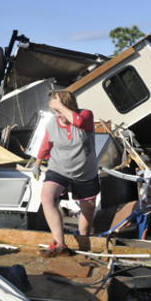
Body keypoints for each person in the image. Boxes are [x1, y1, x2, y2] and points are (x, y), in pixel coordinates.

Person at [34, 90, 99, 257]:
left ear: (69, 107)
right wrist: (37, 163)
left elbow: (78, 121)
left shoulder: (86, 115)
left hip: (85, 171)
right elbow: (45, 144)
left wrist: (61, 106)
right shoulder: (52, 123)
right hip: (59, 168)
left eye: (59, 110)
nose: (57, 114)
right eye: (54, 111)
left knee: (88, 209)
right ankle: (59, 244)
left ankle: (83, 241)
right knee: (47, 197)